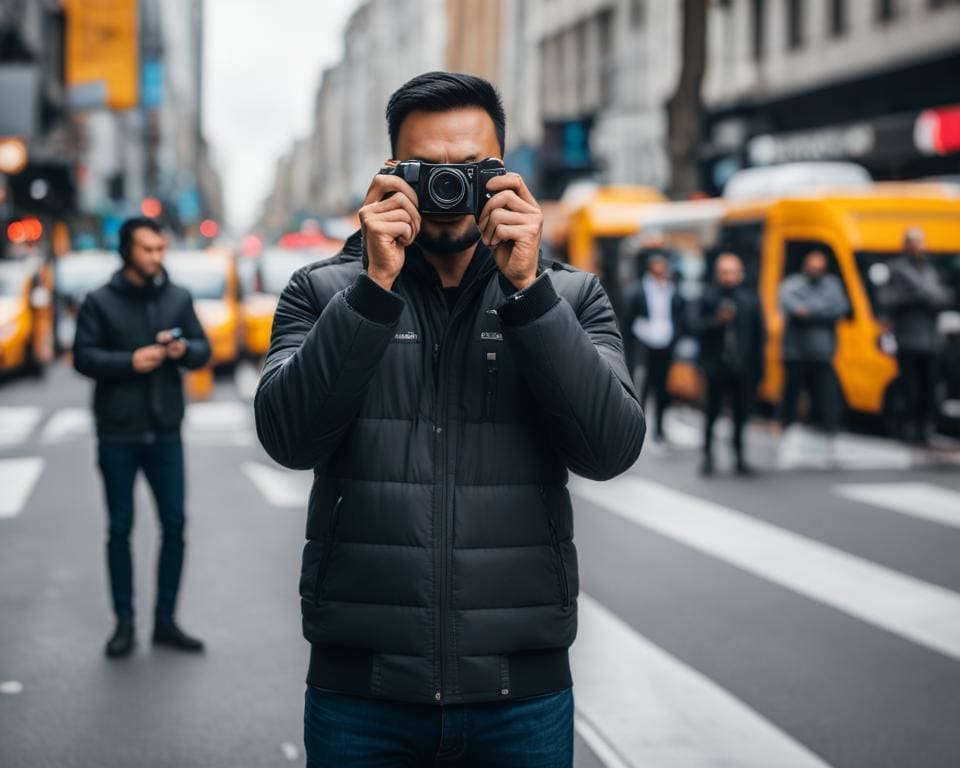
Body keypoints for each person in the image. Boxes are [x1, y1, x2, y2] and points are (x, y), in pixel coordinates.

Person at [255, 72, 645, 766]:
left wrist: (529, 292)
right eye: (426, 170)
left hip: (519, 695)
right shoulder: (322, 292)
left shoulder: (570, 295)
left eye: (470, 170)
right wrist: (372, 290)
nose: (448, 190)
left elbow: (609, 448)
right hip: (360, 693)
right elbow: (289, 438)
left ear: (505, 174)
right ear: (388, 176)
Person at [73, 217, 211, 658]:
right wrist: (129, 361)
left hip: (166, 430)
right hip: (117, 431)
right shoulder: (99, 301)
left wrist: (182, 350)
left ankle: (166, 621)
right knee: (119, 529)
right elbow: (82, 357)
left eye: (160, 249)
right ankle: (124, 624)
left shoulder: (178, 297)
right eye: (148, 249)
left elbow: (201, 348)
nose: (157, 257)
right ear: (127, 251)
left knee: (175, 526)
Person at [696, 252, 766, 476]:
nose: (729, 277)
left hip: (742, 367)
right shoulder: (708, 297)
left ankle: (739, 457)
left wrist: (758, 369)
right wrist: (717, 321)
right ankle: (707, 456)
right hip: (716, 366)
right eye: (725, 272)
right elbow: (695, 327)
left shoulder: (750, 299)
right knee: (712, 412)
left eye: (733, 272)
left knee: (740, 414)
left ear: (741, 274)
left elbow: (759, 337)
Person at [883, 228, 954, 443]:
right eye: (912, 242)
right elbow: (887, 300)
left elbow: (945, 296)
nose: (917, 246)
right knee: (909, 388)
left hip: (931, 340)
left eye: (920, 242)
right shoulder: (895, 269)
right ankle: (907, 429)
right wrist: (916, 296)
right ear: (905, 245)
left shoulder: (932, 270)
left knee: (930, 388)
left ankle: (925, 429)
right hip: (907, 338)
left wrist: (925, 296)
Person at [778, 250, 849, 435]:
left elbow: (841, 308)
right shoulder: (792, 284)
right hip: (796, 351)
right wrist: (822, 309)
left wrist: (810, 311)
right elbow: (795, 309)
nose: (815, 271)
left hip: (823, 351)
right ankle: (787, 424)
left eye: (819, 268)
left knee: (826, 392)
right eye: (812, 267)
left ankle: (827, 426)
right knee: (791, 391)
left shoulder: (832, 285)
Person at [622, 253, 685, 442]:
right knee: (642, 386)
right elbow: (627, 320)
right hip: (644, 342)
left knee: (662, 387)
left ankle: (659, 429)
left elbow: (677, 314)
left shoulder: (671, 288)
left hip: (665, 343)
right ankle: (635, 427)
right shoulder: (637, 289)